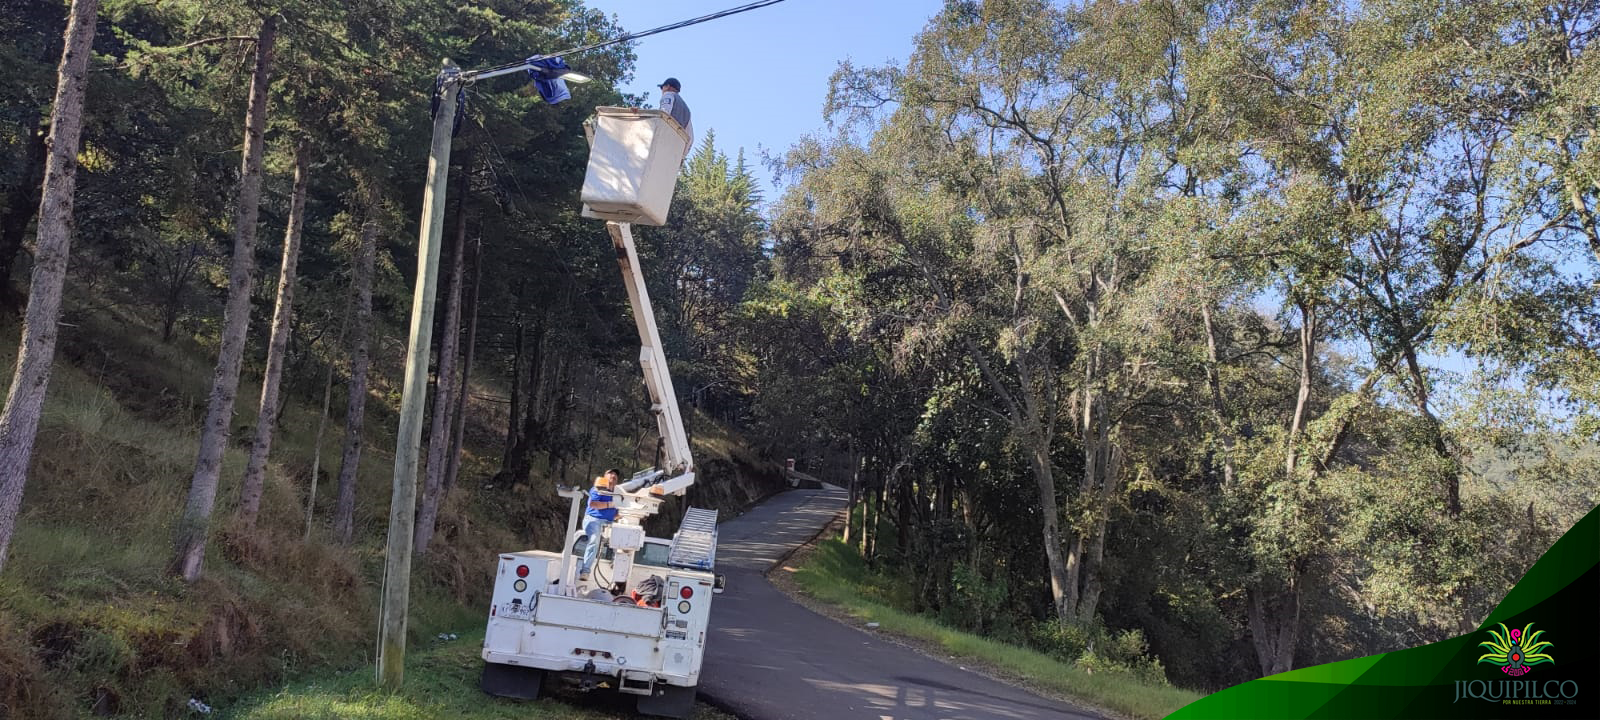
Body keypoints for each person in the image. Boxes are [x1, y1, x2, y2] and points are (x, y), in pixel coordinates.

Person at [578, 469, 621, 582]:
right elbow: (593, 504)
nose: (613, 475)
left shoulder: (618, 493)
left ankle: (616, 569)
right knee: (594, 540)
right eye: (610, 473)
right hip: (594, 519)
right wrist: (610, 504)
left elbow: (616, 513)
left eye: (615, 474)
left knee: (622, 541)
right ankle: (585, 571)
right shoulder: (598, 488)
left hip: (608, 522)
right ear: (604, 476)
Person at [657, 77, 694, 148]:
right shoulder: (686, 109)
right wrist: (682, 155)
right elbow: (690, 136)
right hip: (675, 145)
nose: (662, 91)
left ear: (668, 86)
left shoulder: (668, 95)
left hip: (663, 136)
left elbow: (664, 113)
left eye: (662, 87)